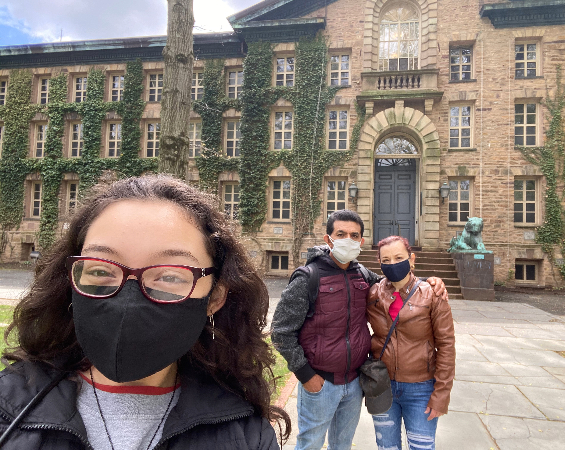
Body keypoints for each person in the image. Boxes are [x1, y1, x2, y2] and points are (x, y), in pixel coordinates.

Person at [0, 174, 290, 450]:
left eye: (170, 275)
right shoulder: (8, 409)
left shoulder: (243, 433)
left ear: (214, 297)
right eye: (101, 269)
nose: (129, 299)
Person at [271, 210, 447, 450]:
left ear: (361, 242)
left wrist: (429, 281)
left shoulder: (362, 275)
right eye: (341, 234)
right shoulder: (308, 277)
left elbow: (396, 283)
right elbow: (281, 331)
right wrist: (306, 375)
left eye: (354, 235)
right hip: (320, 382)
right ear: (328, 239)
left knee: (342, 444)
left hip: (354, 383)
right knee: (310, 443)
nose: (348, 239)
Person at [367, 235, 455, 450]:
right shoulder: (372, 293)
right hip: (382, 387)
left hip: (421, 388)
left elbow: (446, 346)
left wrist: (441, 393)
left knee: (421, 446)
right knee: (386, 446)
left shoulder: (432, 294)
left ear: (411, 259)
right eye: (385, 260)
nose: (392, 264)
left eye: (398, 257)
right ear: (379, 263)